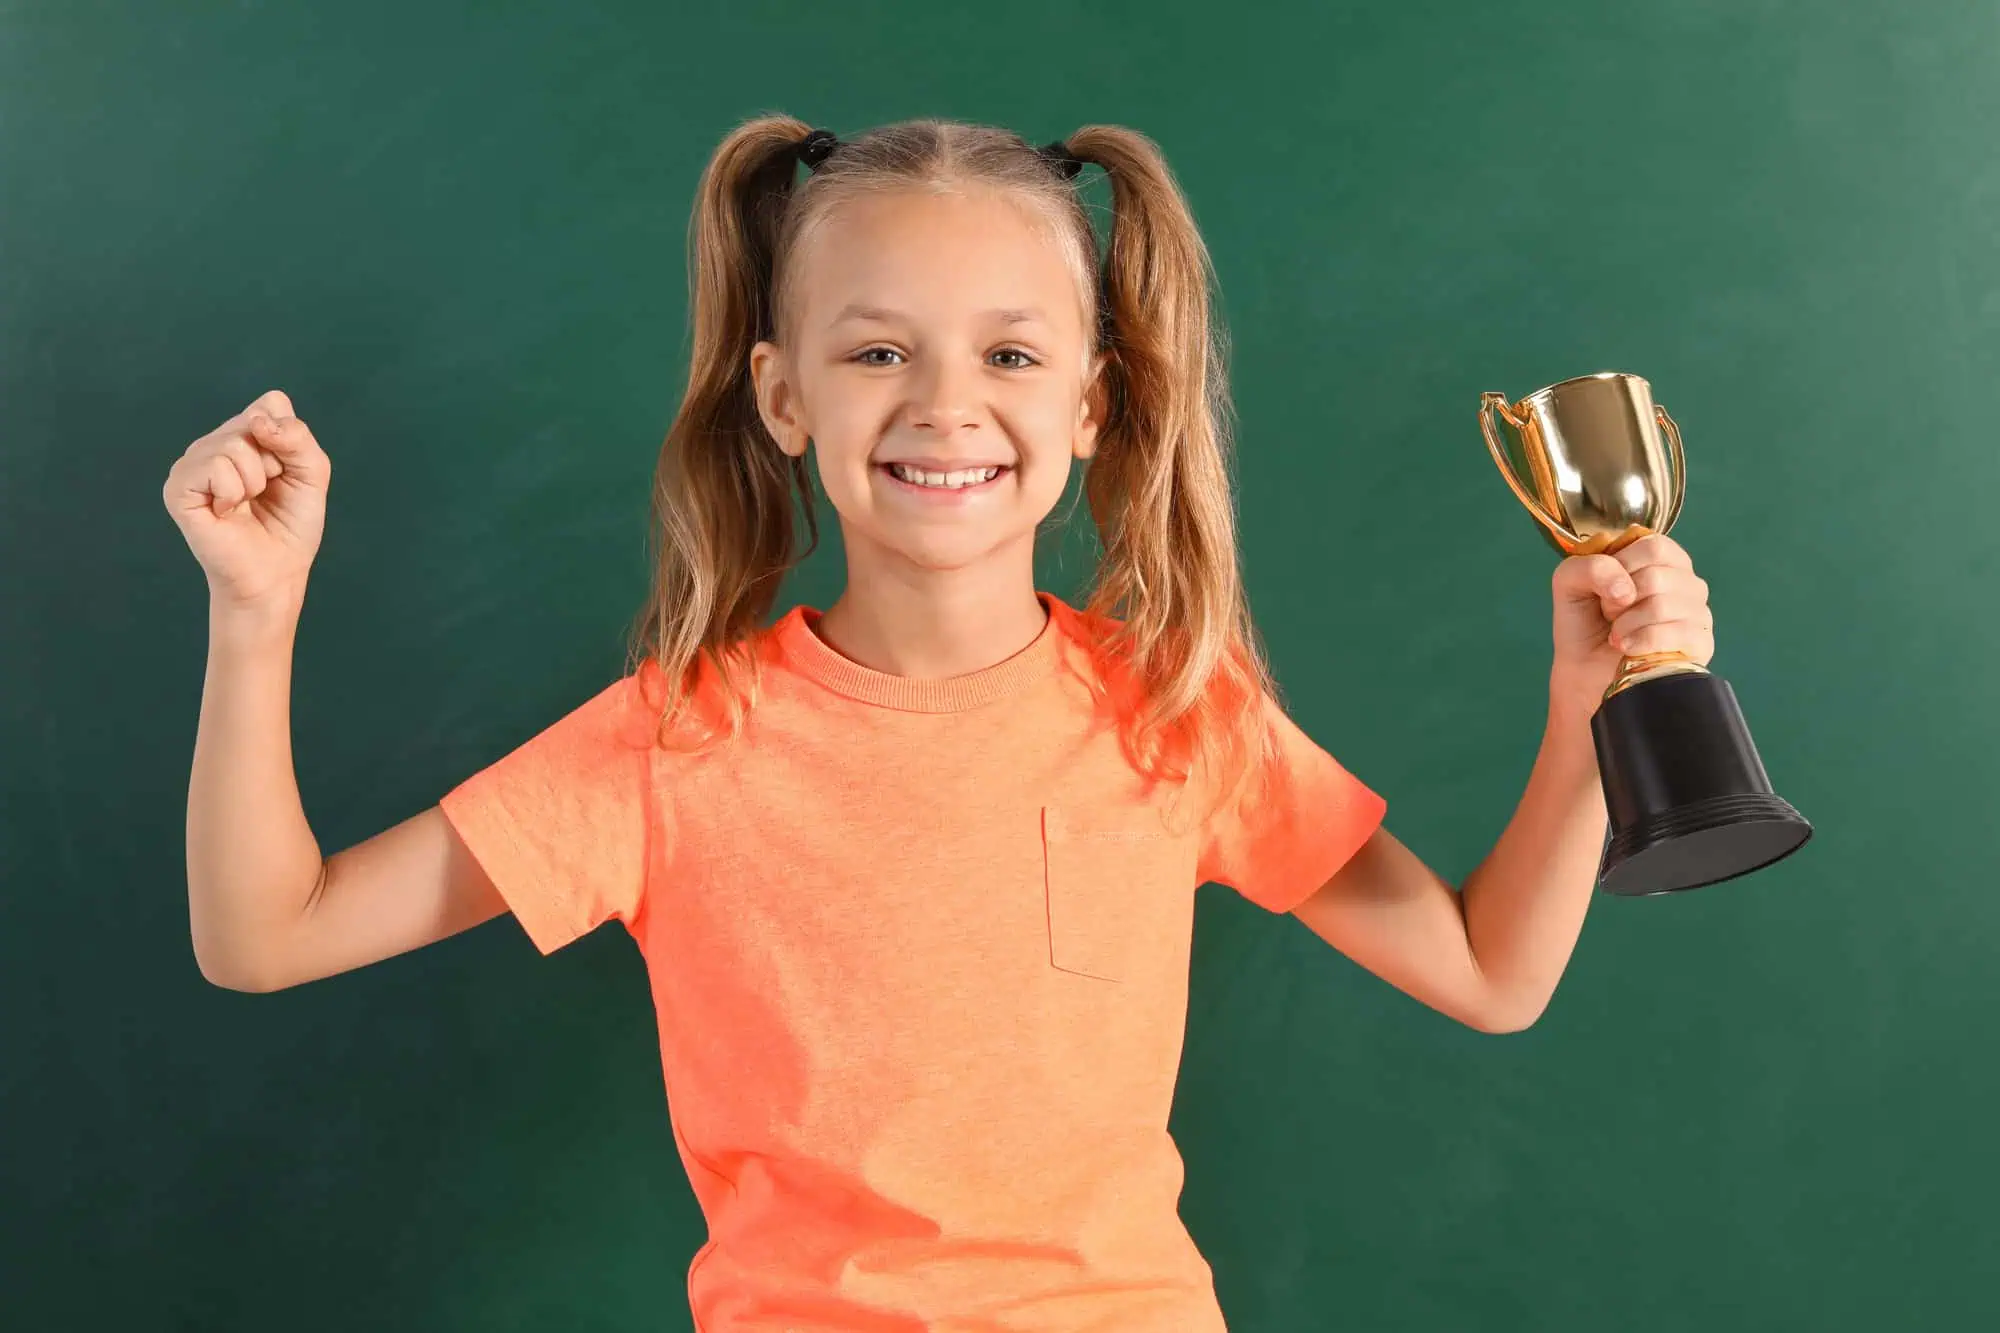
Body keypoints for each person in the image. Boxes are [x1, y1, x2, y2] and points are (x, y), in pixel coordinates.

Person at [162, 115, 1717, 1332]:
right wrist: (257, 612)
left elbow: (1491, 972)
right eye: (878, 351)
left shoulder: (1170, 708)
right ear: (784, 400)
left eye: (1012, 355)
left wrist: (1594, 706)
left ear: (1093, 407)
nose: (946, 405)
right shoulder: (672, 742)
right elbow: (264, 933)